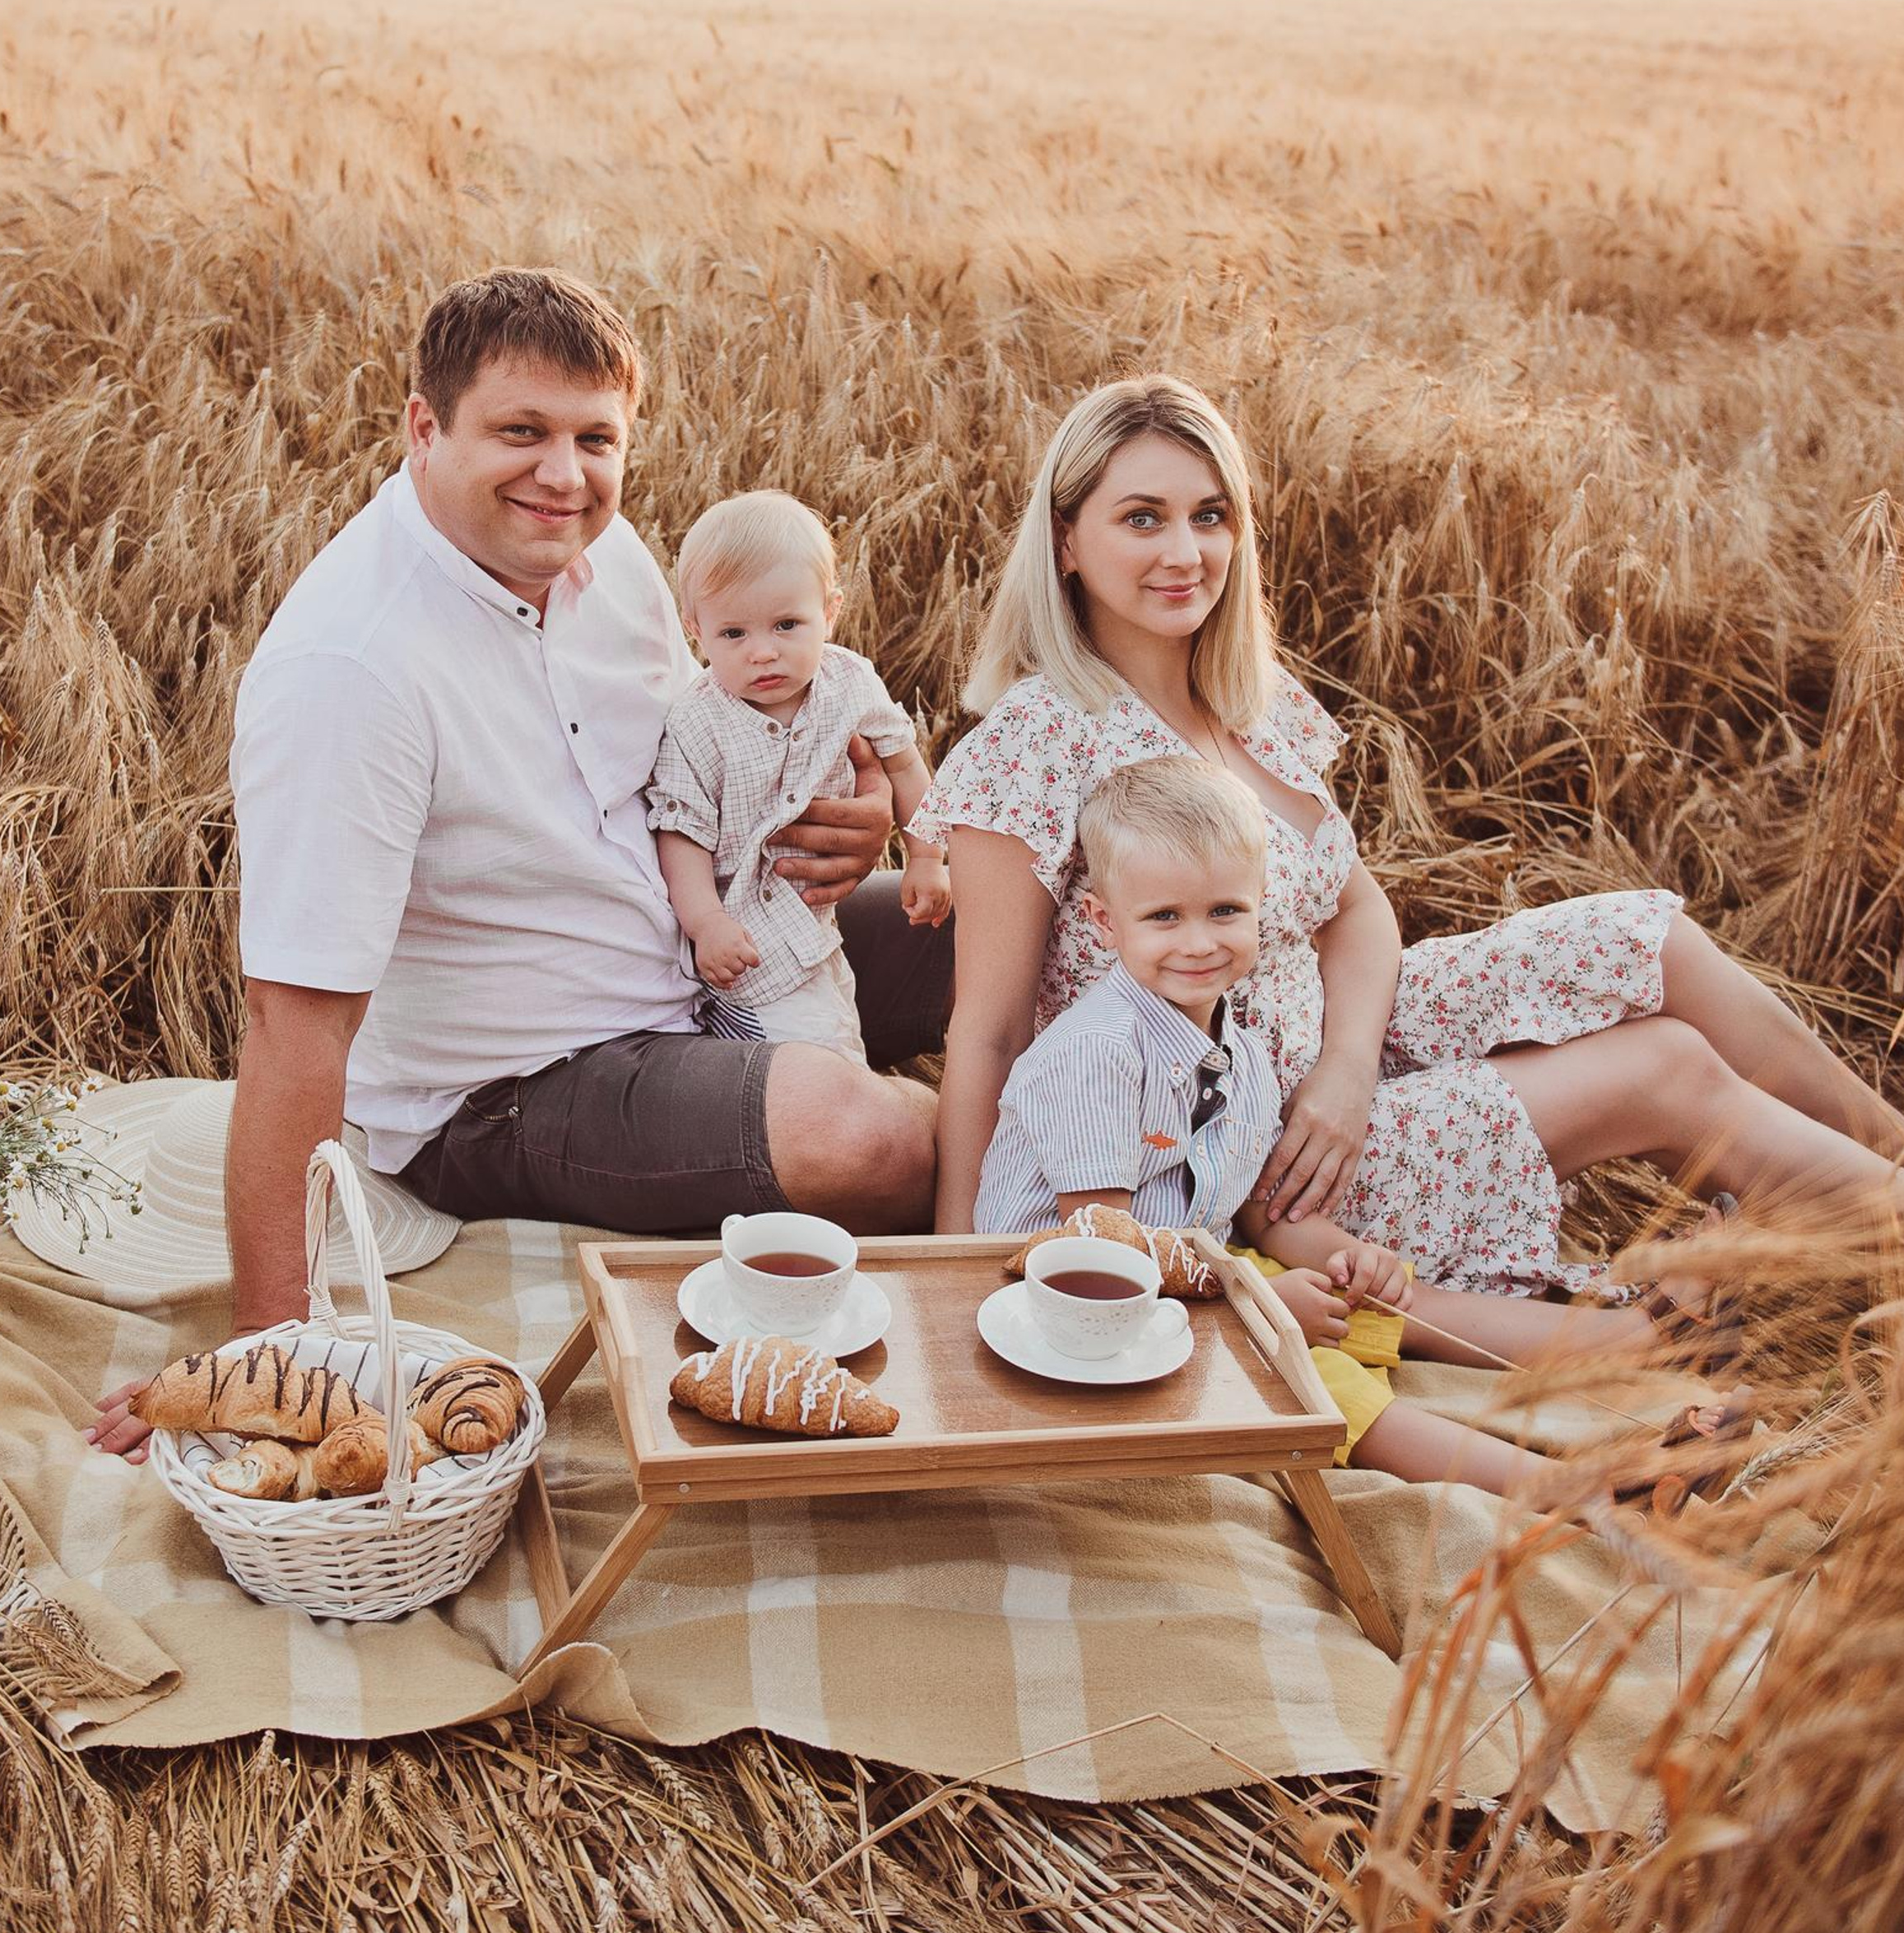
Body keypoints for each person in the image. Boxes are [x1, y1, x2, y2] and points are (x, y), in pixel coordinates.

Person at [87, 268, 947, 1461]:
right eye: (521, 433)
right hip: (517, 1083)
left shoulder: (605, 556)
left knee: (1022, 914)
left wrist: (852, 810)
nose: (566, 475)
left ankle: (1202, 1125)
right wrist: (267, 1354)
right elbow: (293, 1023)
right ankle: (1079, 1182)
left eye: (597, 439)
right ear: (423, 428)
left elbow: (713, 743)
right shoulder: (355, 669)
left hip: (713, 946)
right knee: (872, 1139)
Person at [917, 373, 1904, 1302]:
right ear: (1065, 543)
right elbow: (992, 1032)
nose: (1186, 552)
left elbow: (1353, 906)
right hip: (1244, 1141)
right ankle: (1861, 1226)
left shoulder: (1252, 703)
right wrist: (959, 1269)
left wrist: (1347, 1068)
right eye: (1143, 518)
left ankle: (1875, 1174)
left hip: (1339, 1045)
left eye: (1209, 515)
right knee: (1665, 1065)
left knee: (1646, 939)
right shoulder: (1034, 742)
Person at [978, 755, 1741, 1503]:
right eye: (1163, 917)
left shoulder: (1238, 1054)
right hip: (1065, 1312)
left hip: (1178, 1274)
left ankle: (1635, 1345)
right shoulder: (1096, 1055)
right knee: (1316, 1376)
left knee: (1362, 1306)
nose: (1201, 941)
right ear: (1106, 923)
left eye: (1225, 911)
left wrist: (1348, 1256)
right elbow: (1103, 1248)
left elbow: (1252, 1211)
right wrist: (1264, 1308)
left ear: (1260, 902)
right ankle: (1591, 1490)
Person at [649, 490, 950, 1060]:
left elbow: (905, 763)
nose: (763, 653)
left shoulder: (850, 682)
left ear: (830, 612)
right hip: (747, 948)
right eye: (733, 634)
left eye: (787, 625)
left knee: (842, 1030)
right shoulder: (697, 723)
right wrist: (707, 922)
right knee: (823, 1059)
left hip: (818, 928)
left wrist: (928, 857)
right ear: (695, 629)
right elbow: (679, 833)